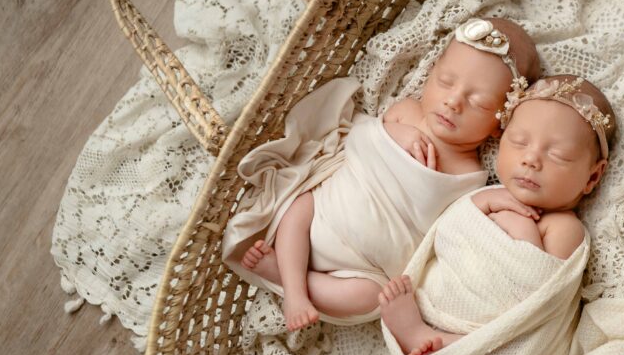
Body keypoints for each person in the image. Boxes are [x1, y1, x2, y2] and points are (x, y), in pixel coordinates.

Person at [232, 16, 542, 331]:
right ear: (431, 74)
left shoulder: (470, 175)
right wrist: (393, 135)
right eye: (446, 82)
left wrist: (490, 200)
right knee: (300, 205)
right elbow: (356, 136)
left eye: (478, 103)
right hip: (325, 214)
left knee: (370, 298)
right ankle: (293, 287)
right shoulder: (405, 112)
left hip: (363, 267)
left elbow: (451, 227)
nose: (453, 102)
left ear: (499, 125)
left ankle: (287, 278)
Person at [378, 74, 616, 355]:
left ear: (592, 176)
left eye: (559, 155)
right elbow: (448, 229)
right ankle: (426, 331)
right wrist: (482, 202)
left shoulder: (564, 226)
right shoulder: (486, 192)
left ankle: (441, 340)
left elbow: (533, 291)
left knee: (505, 345)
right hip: (442, 294)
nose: (531, 160)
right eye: (518, 142)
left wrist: (520, 225)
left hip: (493, 333)